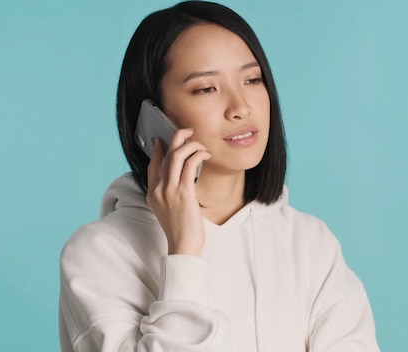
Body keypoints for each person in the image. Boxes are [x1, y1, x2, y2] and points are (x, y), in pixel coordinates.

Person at [58, 1, 380, 351]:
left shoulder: (311, 245)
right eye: (206, 88)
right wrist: (184, 253)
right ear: (152, 116)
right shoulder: (100, 253)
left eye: (253, 79)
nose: (241, 107)